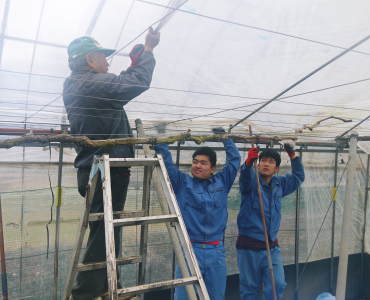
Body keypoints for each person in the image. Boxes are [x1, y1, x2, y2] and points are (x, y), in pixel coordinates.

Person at [63, 28, 160, 300]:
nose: (108, 62)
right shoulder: (89, 84)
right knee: (105, 229)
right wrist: (148, 52)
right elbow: (134, 83)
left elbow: (118, 87)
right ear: (89, 60)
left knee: (108, 225)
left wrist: (135, 62)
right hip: (103, 169)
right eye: (103, 57)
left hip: (102, 168)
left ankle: (108, 287)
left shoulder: (84, 84)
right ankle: (85, 294)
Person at [154, 128, 241, 300]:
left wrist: (226, 139)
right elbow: (167, 164)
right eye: (195, 162)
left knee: (215, 295)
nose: (197, 166)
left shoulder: (222, 182)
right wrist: (162, 142)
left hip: (215, 251)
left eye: (203, 163)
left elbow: (234, 161)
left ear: (212, 168)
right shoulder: (182, 183)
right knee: (184, 296)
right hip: (189, 250)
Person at [236, 142, 305, 299]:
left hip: (271, 247)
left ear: (276, 169)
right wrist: (248, 163)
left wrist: (293, 156)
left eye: (271, 162)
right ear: (258, 164)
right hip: (249, 247)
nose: (266, 164)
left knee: (277, 285)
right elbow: (245, 177)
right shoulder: (252, 182)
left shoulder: (279, 184)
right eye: (263, 160)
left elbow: (298, 177)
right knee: (250, 289)